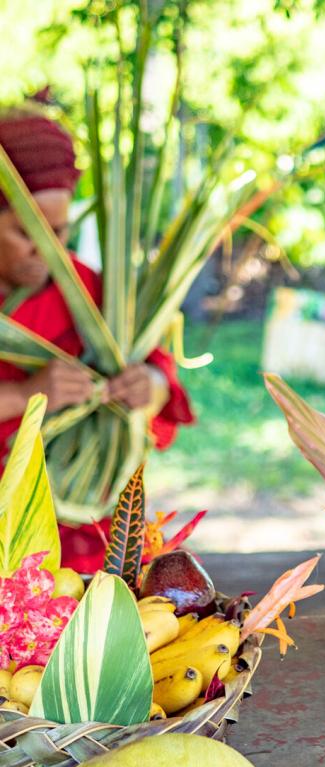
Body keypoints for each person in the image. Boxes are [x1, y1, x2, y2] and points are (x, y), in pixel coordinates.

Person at [0, 111, 194, 572]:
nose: (45, 247)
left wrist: (147, 385)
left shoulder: (94, 293)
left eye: (60, 231)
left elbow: (159, 375)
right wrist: (26, 395)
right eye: (26, 231)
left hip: (88, 530)